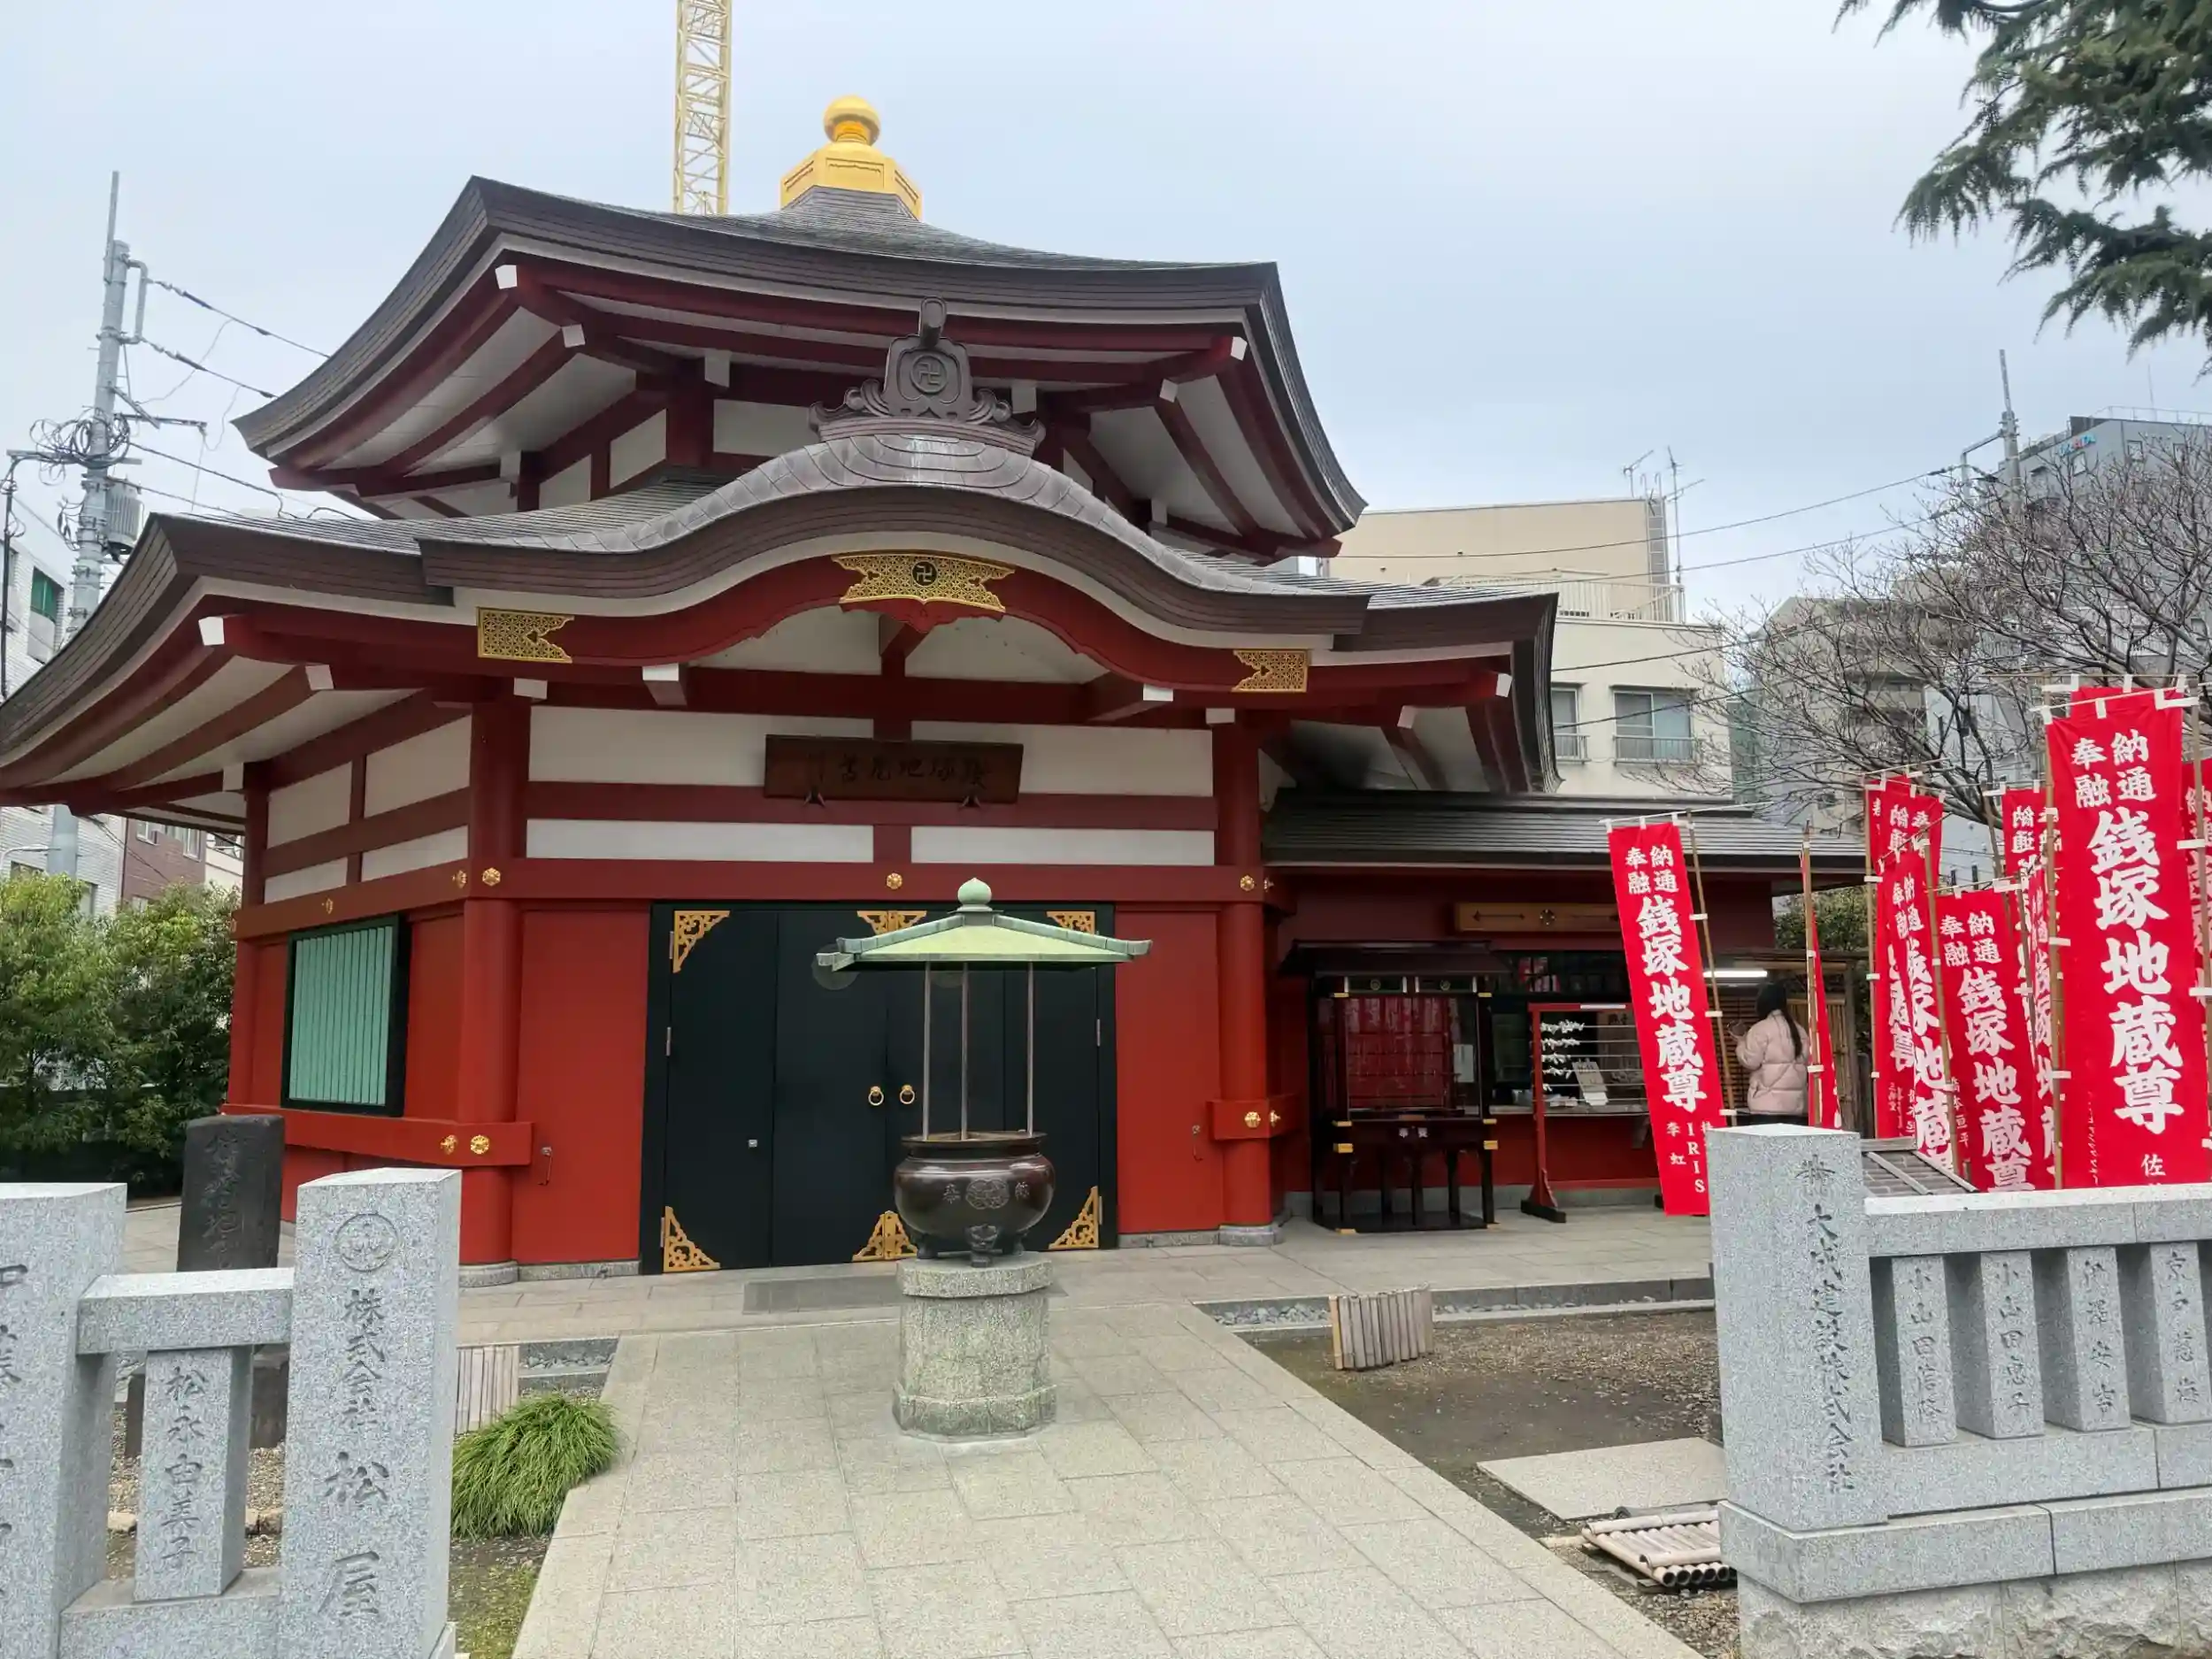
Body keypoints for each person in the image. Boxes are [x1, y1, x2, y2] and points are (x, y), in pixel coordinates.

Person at [1735, 980, 1809, 1123]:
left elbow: (1750, 1061)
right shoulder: (1799, 1030)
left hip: (1765, 1105)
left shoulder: (1760, 1029)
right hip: (1795, 1106)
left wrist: (1741, 1042)